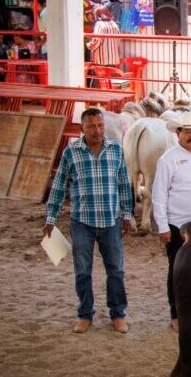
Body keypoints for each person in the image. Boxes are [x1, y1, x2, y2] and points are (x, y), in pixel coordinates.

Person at [43, 108, 133, 334]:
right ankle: (85, 314)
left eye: (100, 125)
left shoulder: (115, 150)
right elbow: (59, 186)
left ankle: (118, 313)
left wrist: (127, 215)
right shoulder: (71, 152)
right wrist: (51, 218)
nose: (97, 130)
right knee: (83, 270)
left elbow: (124, 185)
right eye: (91, 126)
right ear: (82, 128)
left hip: (111, 221)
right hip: (82, 221)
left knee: (116, 270)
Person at [152, 112, 191, 332]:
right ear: (177, 133)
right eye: (187, 131)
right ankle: (176, 315)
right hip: (178, 226)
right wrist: (162, 226)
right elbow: (159, 194)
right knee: (178, 270)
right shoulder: (168, 159)